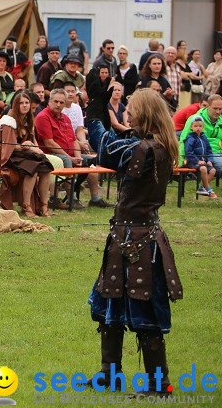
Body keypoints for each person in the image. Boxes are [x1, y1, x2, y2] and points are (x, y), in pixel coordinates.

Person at [86, 89, 183, 397]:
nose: (127, 112)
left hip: (138, 240)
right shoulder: (158, 146)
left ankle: (159, 385)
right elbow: (117, 146)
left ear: (146, 115)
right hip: (128, 235)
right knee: (110, 306)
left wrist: (96, 112)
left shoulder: (144, 149)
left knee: (144, 314)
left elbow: (105, 148)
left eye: (132, 109)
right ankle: (110, 375)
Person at [0, 90, 54, 217]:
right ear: (16, 105)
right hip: (9, 156)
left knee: (46, 168)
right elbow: (9, 147)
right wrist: (27, 147)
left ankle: (43, 205)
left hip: (23, 154)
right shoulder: (8, 121)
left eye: (27, 103)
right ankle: (26, 206)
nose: (25, 105)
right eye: (22, 103)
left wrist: (36, 148)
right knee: (32, 169)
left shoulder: (28, 119)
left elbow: (33, 140)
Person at [176, 93, 222, 179]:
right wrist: (180, 161)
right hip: (204, 156)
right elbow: (183, 139)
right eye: (215, 108)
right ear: (207, 106)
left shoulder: (221, 120)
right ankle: (205, 187)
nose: (218, 112)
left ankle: (205, 187)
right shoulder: (195, 120)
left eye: (220, 109)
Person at [183, 116, 218, 199]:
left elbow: (209, 151)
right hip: (193, 162)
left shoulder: (204, 138)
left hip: (204, 161)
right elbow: (188, 152)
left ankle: (202, 187)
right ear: (191, 127)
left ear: (203, 127)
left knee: (213, 170)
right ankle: (208, 189)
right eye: (195, 126)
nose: (198, 128)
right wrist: (197, 161)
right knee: (203, 169)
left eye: (200, 126)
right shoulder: (190, 138)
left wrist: (210, 160)